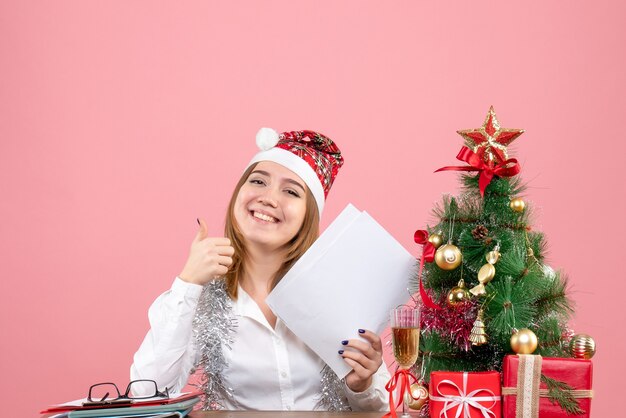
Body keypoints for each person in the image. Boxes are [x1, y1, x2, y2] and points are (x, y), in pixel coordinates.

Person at [131, 128, 390, 411]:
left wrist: (361, 385)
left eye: (291, 191)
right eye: (258, 181)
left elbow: (379, 408)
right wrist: (188, 282)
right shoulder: (204, 297)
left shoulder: (336, 292)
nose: (268, 198)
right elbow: (147, 395)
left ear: (309, 214)